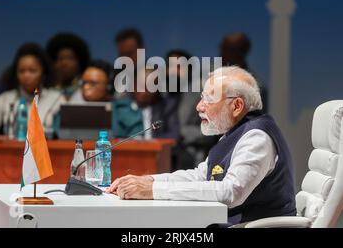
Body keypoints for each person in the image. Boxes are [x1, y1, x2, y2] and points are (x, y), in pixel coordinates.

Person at [106, 66, 296, 227]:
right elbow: (200, 175)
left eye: (209, 99)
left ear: (237, 106)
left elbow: (230, 192)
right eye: (202, 97)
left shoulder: (256, 137)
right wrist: (149, 181)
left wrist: (152, 191)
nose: (199, 106)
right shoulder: (235, 133)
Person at [0, 43, 65, 136]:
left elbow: (67, 136)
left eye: (32, 70)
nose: (26, 76)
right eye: (22, 71)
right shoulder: (5, 99)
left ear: (43, 73)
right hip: (13, 150)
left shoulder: (57, 99)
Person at [165, 49, 219, 169]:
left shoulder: (202, 92)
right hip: (163, 157)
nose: (173, 71)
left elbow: (212, 130)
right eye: (170, 66)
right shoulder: (161, 93)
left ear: (189, 70)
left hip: (192, 160)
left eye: (179, 67)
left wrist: (179, 132)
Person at [112, 68, 180, 140]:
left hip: (157, 149)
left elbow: (174, 134)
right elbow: (115, 135)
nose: (144, 92)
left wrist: (150, 144)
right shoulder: (120, 106)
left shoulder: (167, 106)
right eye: (140, 86)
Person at [219, 32, 268, 112]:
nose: (221, 54)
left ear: (240, 53)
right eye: (221, 48)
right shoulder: (213, 80)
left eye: (227, 49)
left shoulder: (257, 88)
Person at [46, 32, 90, 101]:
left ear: (79, 64)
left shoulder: (86, 91)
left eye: (70, 58)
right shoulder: (46, 93)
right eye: (60, 59)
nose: (64, 63)